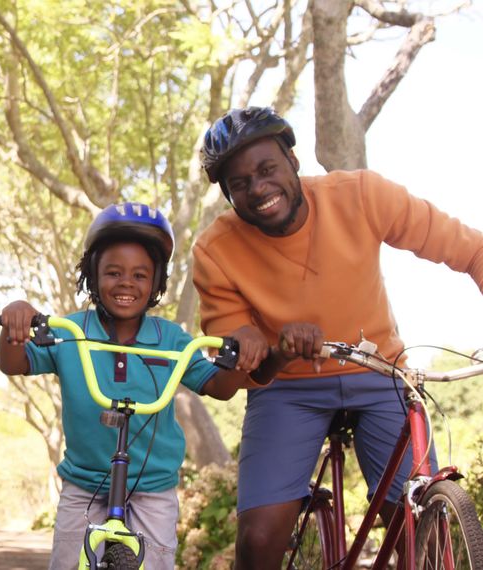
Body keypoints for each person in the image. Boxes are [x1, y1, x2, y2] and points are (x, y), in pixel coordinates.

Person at [193, 106, 483, 568]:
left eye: (267, 169)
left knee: (415, 524)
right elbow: (242, 356)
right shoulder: (214, 250)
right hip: (287, 389)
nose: (257, 189)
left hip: (380, 372)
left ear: (292, 159)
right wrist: (274, 351)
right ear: (227, 194)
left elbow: (470, 250)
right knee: (259, 543)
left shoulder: (362, 195)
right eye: (239, 184)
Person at [0, 202, 285, 570]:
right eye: (113, 273)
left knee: (157, 562)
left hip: (153, 486)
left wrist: (239, 359)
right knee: (69, 562)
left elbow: (218, 386)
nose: (126, 284)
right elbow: (14, 363)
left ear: (156, 284)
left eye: (140, 275)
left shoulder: (171, 340)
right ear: (93, 276)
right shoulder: (72, 331)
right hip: (85, 482)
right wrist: (16, 322)